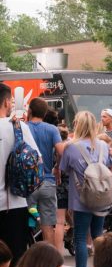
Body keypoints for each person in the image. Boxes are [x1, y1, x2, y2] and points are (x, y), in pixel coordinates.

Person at [60, 111, 112, 267]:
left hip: (81, 200)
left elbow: (63, 169)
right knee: (98, 236)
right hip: (101, 196)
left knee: (80, 238)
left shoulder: (71, 147)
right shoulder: (102, 145)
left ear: (77, 125)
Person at [0, 83, 40, 266]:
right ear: (7, 102)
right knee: (15, 263)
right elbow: (37, 160)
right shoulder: (18, 128)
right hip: (13, 203)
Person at [25, 98, 63, 246]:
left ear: (30, 111)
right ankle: (51, 266)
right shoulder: (52, 129)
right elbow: (61, 151)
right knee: (48, 226)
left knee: (24, 223)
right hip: (47, 180)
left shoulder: (22, 127)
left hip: (27, 183)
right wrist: (57, 167)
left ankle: (26, 262)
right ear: (45, 112)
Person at [54, 124, 70, 253]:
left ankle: (58, 251)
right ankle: (86, 244)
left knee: (59, 221)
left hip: (59, 186)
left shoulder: (54, 148)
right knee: (78, 217)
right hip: (73, 185)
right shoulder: (71, 147)